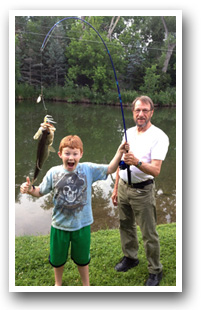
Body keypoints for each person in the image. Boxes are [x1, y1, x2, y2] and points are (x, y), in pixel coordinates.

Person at [20, 134, 128, 286]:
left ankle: (86, 285)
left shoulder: (88, 169)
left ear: (81, 154)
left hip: (82, 225)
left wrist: (119, 151)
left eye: (75, 153)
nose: (71, 157)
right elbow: (39, 191)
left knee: (82, 259)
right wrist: (29, 189)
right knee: (57, 260)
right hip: (59, 226)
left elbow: (110, 168)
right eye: (67, 153)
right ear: (60, 154)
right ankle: (58, 284)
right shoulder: (53, 172)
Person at [111, 95, 169, 286]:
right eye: (138, 110)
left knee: (148, 232)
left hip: (143, 191)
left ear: (152, 112)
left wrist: (137, 162)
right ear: (133, 112)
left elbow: (156, 170)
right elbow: (120, 162)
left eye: (145, 110)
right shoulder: (127, 132)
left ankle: (155, 270)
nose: (141, 114)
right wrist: (115, 187)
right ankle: (130, 257)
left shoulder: (159, 136)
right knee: (125, 225)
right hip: (123, 187)